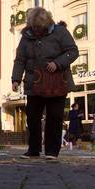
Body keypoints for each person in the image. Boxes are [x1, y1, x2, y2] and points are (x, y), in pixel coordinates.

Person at [11, 7, 78, 160]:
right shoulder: (26, 37)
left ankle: (52, 152)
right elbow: (20, 59)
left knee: (55, 116)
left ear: (47, 22)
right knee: (32, 117)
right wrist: (15, 79)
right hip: (34, 82)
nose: (37, 30)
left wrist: (58, 63)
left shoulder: (60, 32)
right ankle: (33, 150)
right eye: (34, 27)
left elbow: (73, 51)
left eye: (39, 27)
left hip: (57, 82)